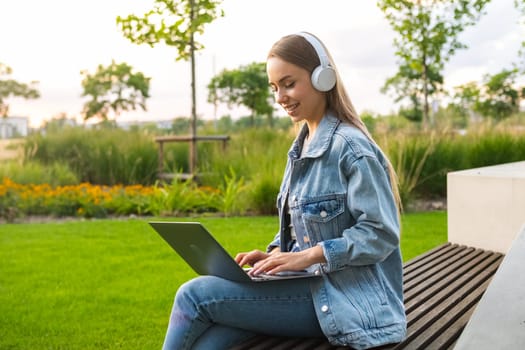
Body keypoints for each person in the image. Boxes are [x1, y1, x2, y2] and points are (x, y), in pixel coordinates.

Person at [161, 32, 407, 350]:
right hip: (311, 289)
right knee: (210, 341)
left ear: (323, 77)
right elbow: (302, 230)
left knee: (193, 295)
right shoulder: (301, 146)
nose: (280, 97)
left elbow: (381, 234)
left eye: (289, 84)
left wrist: (310, 255)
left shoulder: (351, 148)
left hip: (347, 302)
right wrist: (277, 255)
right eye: (275, 88)